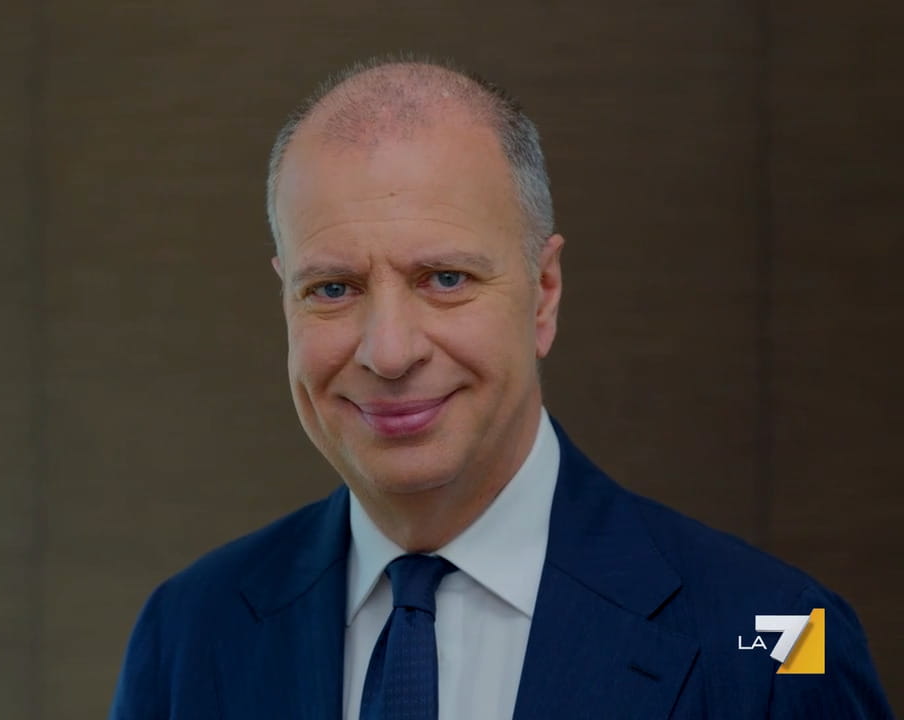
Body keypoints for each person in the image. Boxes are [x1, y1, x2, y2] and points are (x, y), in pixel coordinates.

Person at [108, 57, 894, 719]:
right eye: (333, 289)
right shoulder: (187, 632)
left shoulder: (782, 635)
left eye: (445, 278)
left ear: (544, 294)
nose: (389, 352)